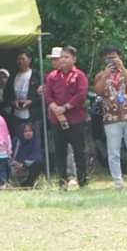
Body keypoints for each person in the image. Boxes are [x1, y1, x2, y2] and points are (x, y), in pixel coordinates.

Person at [93, 45, 127, 188]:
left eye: (114, 57)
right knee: (113, 151)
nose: (111, 61)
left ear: (120, 57)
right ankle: (117, 180)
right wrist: (106, 74)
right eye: (108, 58)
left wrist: (122, 69)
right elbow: (99, 91)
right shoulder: (101, 75)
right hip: (111, 119)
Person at [45, 46, 89, 190]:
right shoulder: (52, 76)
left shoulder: (79, 75)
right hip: (57, 119)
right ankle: (62, 180)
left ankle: (82, 179)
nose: (63, 60)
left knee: (79, 150)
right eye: (61, 57)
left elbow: (81, 94)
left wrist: (66, 107)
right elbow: (48, 94)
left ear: (74, 59)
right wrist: (54, 107)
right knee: (59, 151)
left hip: (76, 118)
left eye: (66, 57)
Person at [6, 51, 41, 137]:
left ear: (29, 60)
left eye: (22, 59)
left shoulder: (36, 75)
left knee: (34, 139)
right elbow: (7, 95)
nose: (20, 61)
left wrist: (31, 102)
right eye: (18, 59)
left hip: (33, 115)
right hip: (17, 115)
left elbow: (43, 95)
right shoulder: (13, 76)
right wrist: (13, 103)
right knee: (18, 139)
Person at [11, 121, 44, 188]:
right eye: (25, 131)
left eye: (30, 131)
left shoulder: (35, 142)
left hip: (27, 167)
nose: (28, 133)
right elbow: (8, 155)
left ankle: (28, 185)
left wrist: (23, 164)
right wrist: (15, 163)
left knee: (38, 163)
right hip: (14, 167)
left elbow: (37, 157)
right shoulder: (16, 142)